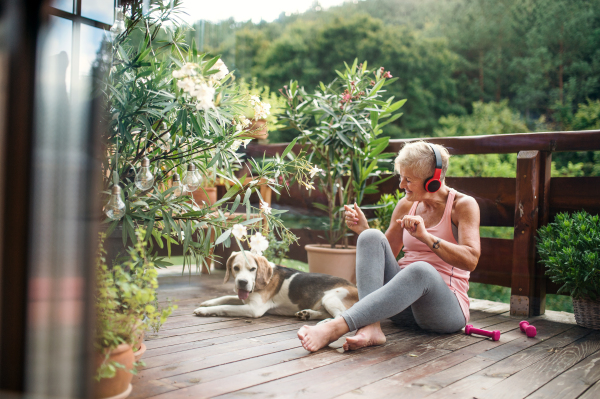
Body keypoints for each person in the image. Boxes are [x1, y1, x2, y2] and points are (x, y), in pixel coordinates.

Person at [297, 141, 481, 352]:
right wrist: (363, 230)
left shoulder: (463, 205)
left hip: (443, 311)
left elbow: (471, 260)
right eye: (401, 177)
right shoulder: (406, 205)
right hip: (401, 306)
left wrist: (426, 237)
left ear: (432, 182)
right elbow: (385, 254)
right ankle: (370, 326)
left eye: (409, 180)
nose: (401, 185)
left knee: (421, 270)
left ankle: (336, 327)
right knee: (371, 236)